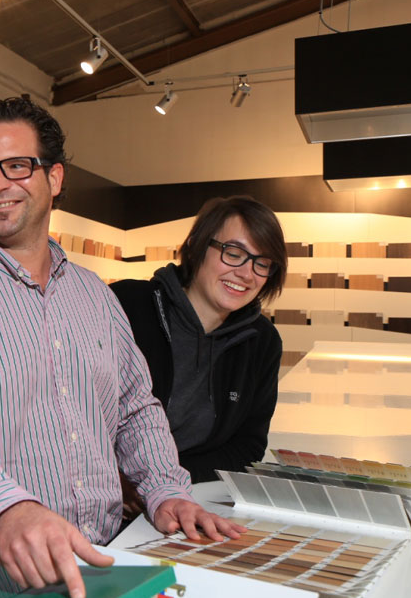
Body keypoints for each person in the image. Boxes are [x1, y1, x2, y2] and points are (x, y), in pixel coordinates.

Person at [0, 96, 241, 598]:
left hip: (101, 565)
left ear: (54, 177)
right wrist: (3, 507)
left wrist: (165, 490)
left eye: (16, 166)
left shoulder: (95, 295)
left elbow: (135, 408)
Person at [111, 196, 286, 486]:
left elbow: (247, 447)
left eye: (263, 263)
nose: (246, 273)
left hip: (186, 495)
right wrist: (120, 481)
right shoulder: (126, 305)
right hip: (101, 493)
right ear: (196, 247)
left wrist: (165, 481)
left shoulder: (262, 342)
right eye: (233, 253)